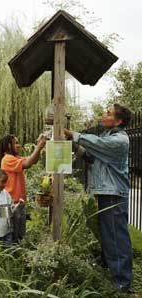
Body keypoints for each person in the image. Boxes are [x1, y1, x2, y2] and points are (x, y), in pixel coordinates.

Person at [64, 103, 133, 292]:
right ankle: (112, 271)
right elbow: (91, 157)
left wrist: (74, 135)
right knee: (108, 236)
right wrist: (73, 144)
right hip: (106, 193)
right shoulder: (107, 136)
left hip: (114, 195)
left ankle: (122, 284)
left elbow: (97, 145)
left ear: (118, 121)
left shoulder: (119, 141)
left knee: (116, 238)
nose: (104, 115)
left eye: (108, 114)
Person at [0, 134, 46, 243]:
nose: (19, 145)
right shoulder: (7, 159)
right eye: (16, 143)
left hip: (18, 203)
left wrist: (39, 146)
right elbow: (28, 163)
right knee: (11, 237)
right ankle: (10, 257)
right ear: (8, 146)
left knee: (19, 236)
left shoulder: (15, 158)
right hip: (11, 204)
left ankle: (16, 256)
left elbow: (32, 161)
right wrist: (39, 146)